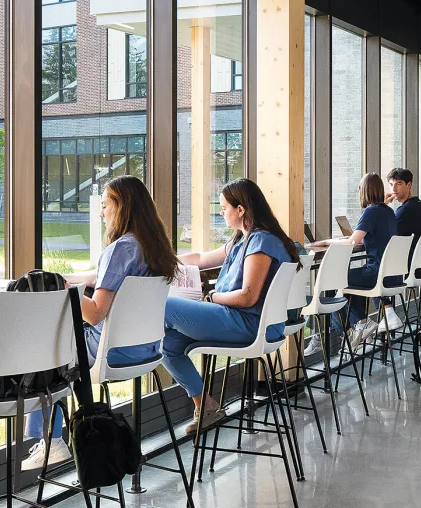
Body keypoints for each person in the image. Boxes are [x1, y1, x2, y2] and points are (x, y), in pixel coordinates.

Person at [16, 176, 181, 470]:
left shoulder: (120, 249)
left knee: (47, 343)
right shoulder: (153, 249)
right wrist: (73, 280)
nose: (102, 212)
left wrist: (61, 290)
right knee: (61, 347)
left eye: (105, 205)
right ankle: (53, 436)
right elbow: (103, 281)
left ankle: (51, 441)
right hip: (147, 351)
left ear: (122, 207)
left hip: (110, 352)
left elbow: (94, 313)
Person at [161, 178, 299, 434]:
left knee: (165, 306)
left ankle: (127, 351)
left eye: (224, 207)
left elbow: (248, 296)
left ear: (241, 209)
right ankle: (206, 406)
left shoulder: (262, 242)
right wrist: (162, 261)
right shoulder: (242, 240)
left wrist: (211, 298)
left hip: (249, 324)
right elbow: (201, 258)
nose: (221, 211)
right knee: (168, 345)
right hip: (246, 321)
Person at [307, 173, 400, 354]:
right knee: (348, 284)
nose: (358, 190)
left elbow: (352, 242)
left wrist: (327, 242)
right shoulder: (388, 211)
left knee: (335, 279)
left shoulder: (371, 211)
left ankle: (335, 331)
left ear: (363, 190)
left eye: (359, 187)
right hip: (392, 274)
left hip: (376, 273)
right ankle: (356, 326)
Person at [386, 168, 421, 271]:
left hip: (408, 268)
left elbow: (388, 234)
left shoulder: (406, 210)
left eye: (399, 184)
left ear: (409, 185)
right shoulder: (418, 204)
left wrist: (382, 205)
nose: (394, 189)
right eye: (391, 184)